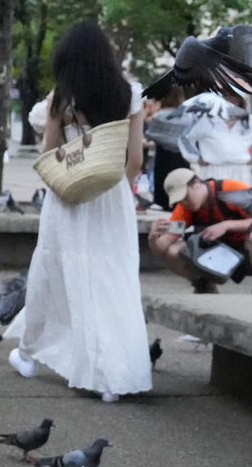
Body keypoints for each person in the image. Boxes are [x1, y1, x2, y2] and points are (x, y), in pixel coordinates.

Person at [9, 22, 151, 403]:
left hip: (68, 196)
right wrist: (114, 188)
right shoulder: (130, 95)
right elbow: (135, 160)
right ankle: (111, 378)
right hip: (112, 196)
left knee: (55, 273)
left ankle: (28, 354)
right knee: (112, 278)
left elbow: (48, 154)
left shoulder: (62, 99)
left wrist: (73, 182)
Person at [148, 168, 252, 294]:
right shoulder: (184, 208)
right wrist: (153, 238)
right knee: (172, 251)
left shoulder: (232, 189)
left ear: (196, 184)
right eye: (179, 200)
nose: (183, 202)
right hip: (217, 255)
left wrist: (226, 225)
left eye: (185, 196)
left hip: (248, 250)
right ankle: (204, 287)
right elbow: (162, 248)